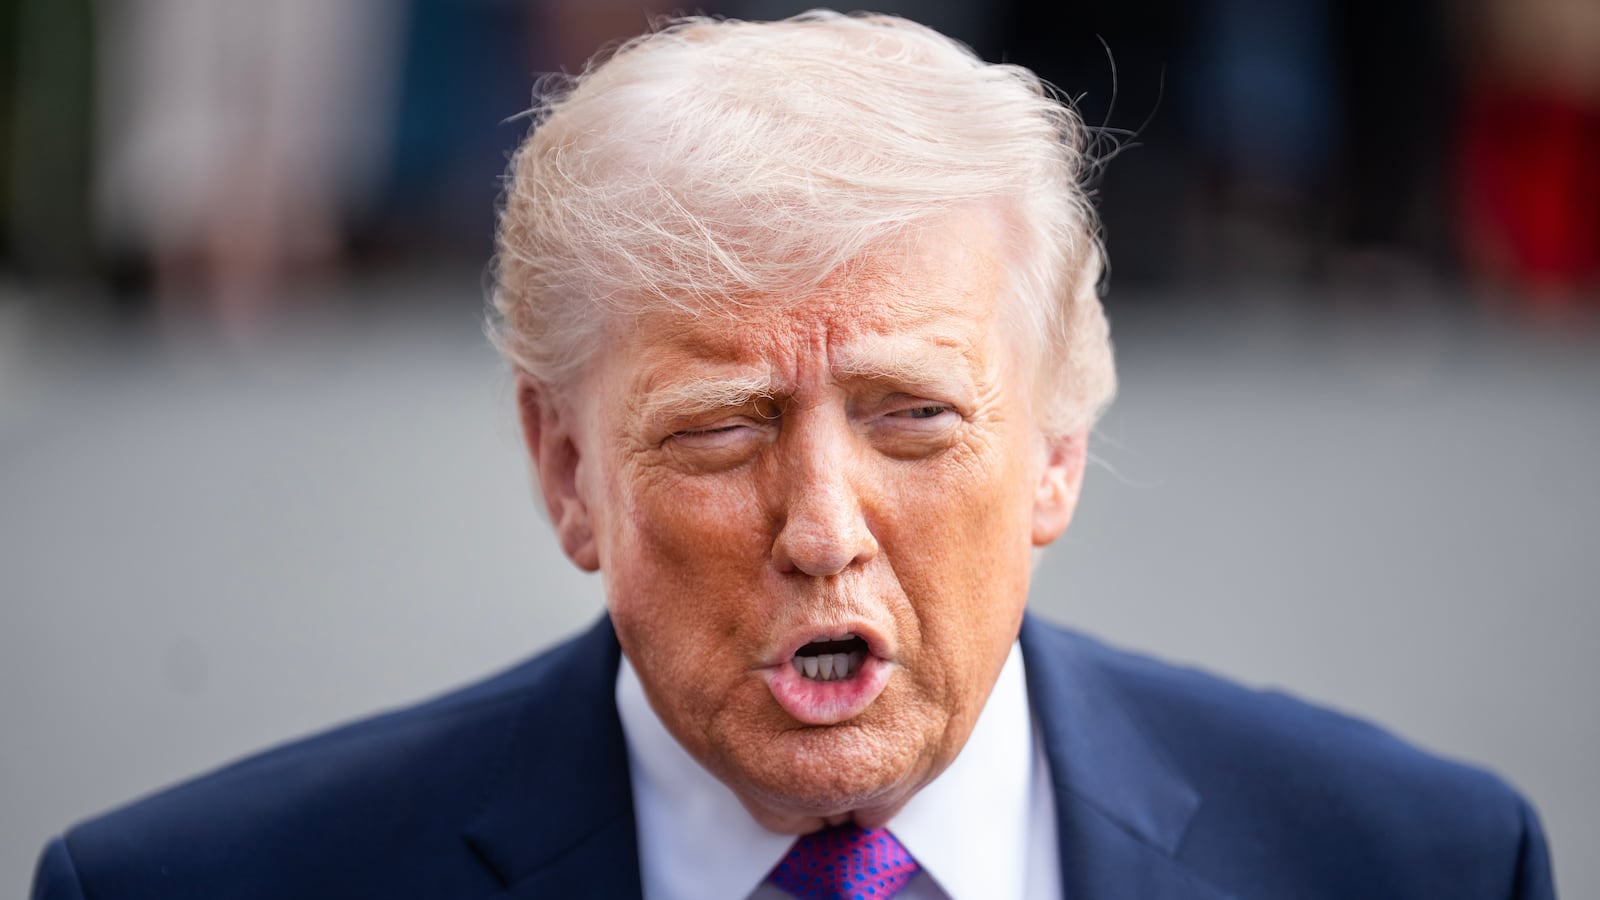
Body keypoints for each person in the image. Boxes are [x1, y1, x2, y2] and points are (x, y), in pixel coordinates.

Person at [32, 11, 1554, 900]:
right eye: (718, 429)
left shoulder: (1421, 866)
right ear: (567, 471)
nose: (823, 528)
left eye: (914, 418)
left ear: (1058, 451)